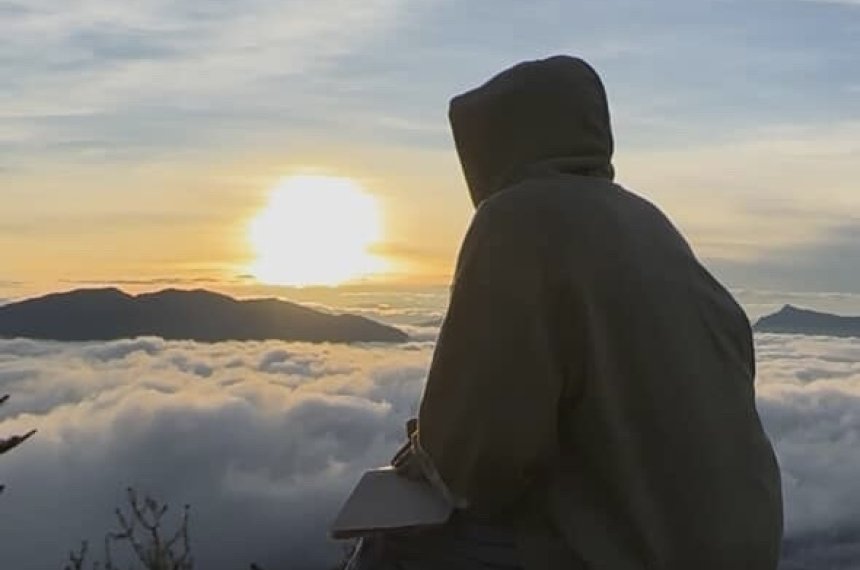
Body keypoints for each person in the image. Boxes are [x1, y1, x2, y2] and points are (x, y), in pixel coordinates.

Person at [346, 55, 783, 570]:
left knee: (388, 547)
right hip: (738, 545)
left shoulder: (514, 218)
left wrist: (431, 454)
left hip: (638, 551)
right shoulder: (646, 220)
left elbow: (480, 466)